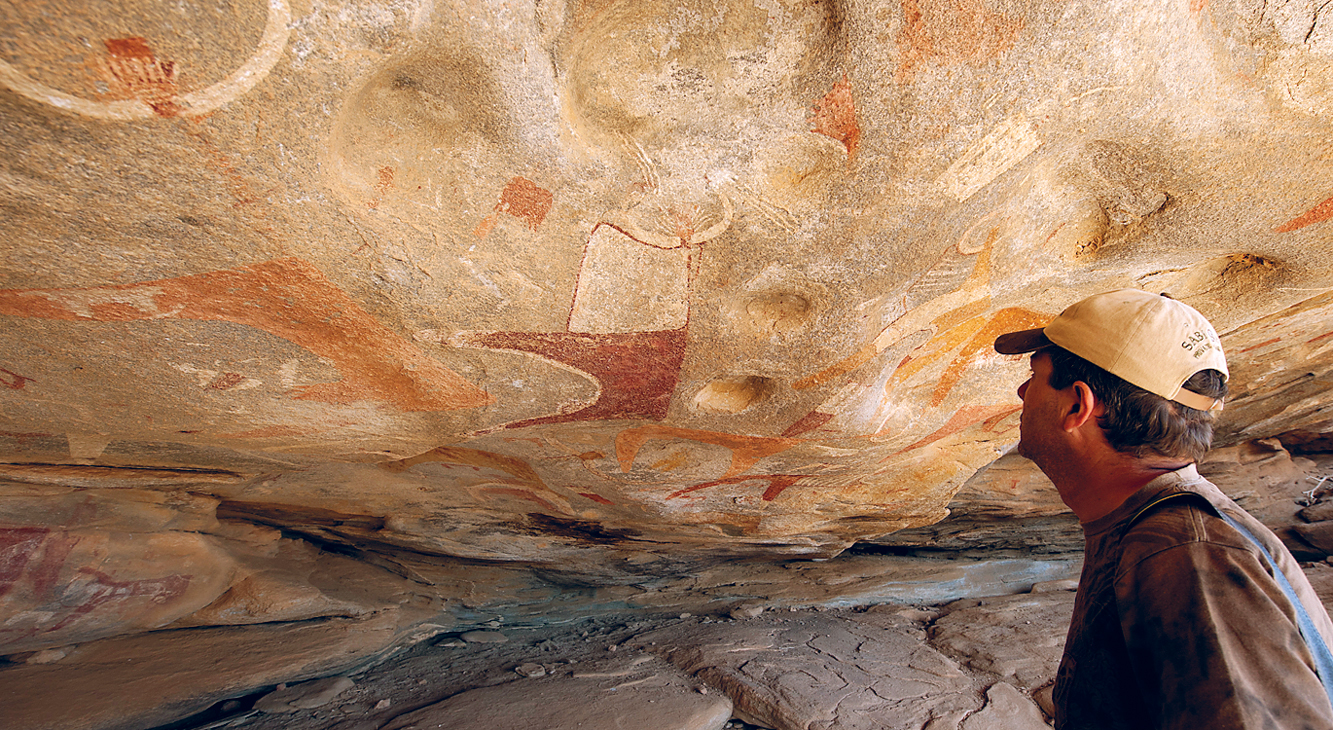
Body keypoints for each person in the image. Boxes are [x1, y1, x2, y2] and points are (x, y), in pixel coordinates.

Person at [992, 288, 1333, 729]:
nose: (1023, 391)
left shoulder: (1188, 554)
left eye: (1035, 376)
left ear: (1078, 404)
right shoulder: (1165, 531)